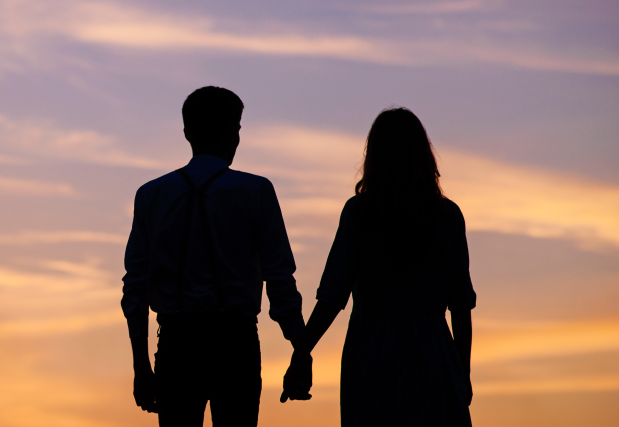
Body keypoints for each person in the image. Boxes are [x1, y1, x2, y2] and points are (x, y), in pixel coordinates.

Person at [122, 86, 306, 426]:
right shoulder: (256, 191)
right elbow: (280, 280)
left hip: (177, 345)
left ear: (187, 133)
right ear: (232, 132)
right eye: (237, 129)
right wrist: (300, 347)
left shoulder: (151, 196)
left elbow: (135, 288)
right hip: (235, 345)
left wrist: (141, 365)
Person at [280, 107, 476, 426]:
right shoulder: (447, 217)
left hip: (372, 350)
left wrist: (302, 352)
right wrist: (462, 371)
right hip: (433, 350)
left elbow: (332, 296)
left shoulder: (360, 214)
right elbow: (461, 306)